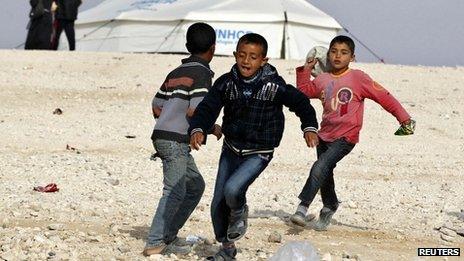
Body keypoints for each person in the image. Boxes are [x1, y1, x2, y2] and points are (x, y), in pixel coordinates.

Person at [189, 33, 319, 260]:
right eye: (242, 55)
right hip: (231, 148)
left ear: (263, 61)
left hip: (259, 152)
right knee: (217, 205)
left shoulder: (273, 86)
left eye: (253, 57)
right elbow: (207, 108)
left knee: (233, 191)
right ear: (234, 55)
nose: (246, 61)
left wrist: (309, 127)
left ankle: (240, 211)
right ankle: (227, 250)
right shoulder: (226, 83)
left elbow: (301, 103)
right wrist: (198, 128)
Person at [290, 35, 416, 231]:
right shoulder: (322, 80)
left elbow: (384, 97)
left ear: (352, 57)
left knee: (319, 167)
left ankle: (301, 208)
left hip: (346, 137)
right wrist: (306, 69)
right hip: (325, 135)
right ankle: (330, 205)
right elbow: (303, 92)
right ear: (328, 54)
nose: (337, 56)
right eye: (333, 51)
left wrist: (404, 119)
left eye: (344, 52)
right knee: (325, 173)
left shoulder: (359, 78)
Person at [143, 22, 221, 257]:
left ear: (187, 46)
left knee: (195, 186)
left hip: (162, 136)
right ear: (213, 48)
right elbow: (196, 111)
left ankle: (168, 235)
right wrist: (211, 127)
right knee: (174, 190)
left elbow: (157, 106)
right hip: (176, 141)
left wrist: (170, 116)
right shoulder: (203, 74)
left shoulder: (175, 73)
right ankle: (155, 241)